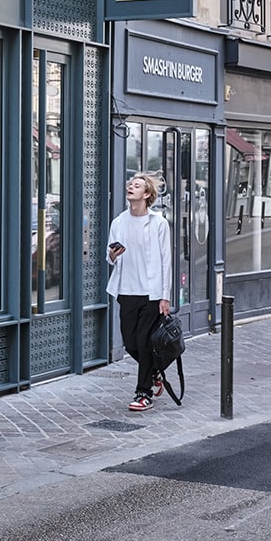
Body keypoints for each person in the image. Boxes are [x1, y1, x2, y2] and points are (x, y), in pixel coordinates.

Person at [105, 172, 173, 412]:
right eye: (130, 184)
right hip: (126, 290)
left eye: (137, 185)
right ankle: (154, 372)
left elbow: (166, 261)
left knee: (143, 342)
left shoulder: (158, 223)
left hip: (151, 293)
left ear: (147, 194)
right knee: (130, 343)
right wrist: (112, 255)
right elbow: (110, 257)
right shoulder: (119, 222)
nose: (131, 187)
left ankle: (143, 393)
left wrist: (165, 295)